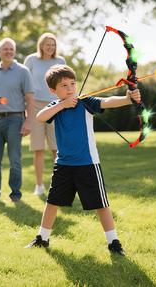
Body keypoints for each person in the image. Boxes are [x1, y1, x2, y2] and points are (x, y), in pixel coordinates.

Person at [25, 64, 140, 256]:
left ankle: (114, 242)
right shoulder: (56, 107)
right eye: (64, 86)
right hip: (63, 165)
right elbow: (39, 117)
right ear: (53, 90)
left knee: (100, 204)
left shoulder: (85, 102)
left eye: (72, 83)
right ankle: (42, 238)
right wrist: (62, 104)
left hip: (87, 164)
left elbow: (108, 101)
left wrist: (128, 98)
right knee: (52, 201)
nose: (70, 88)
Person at [0, 38, 35, 202]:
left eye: (11, 49)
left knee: (15, 161)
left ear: (15, 51)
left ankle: (15, 194)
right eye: (5, 49)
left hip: (15, 120)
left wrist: (28, 121)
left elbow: (30, 99)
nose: (9, 51)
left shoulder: (23, 71)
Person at [23, 33, 64, 195]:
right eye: (47, 44)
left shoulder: (60, 62)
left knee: (56, 148)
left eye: (53, 45)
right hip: (35, 106)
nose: (50, 47)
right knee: (38, 148)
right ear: (41, 45)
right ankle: (39, 185)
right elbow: (25, 84)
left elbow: (64, 84)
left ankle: (59, 184)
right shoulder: (31, 60)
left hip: (55, 106)